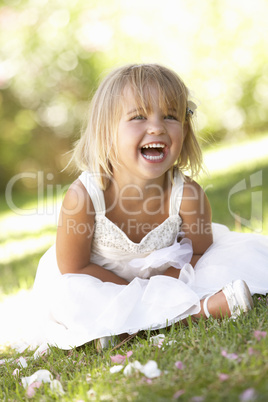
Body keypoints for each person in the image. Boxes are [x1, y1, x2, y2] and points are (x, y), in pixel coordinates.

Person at [31, 64, 267, 354]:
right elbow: (74, 268)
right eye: (138, 117)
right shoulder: (84, 196)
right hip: (101, 281)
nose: (156, 127)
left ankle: (126, 330)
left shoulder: (188, 195)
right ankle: (201, 310)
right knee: (70, 296)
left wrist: (164, 287)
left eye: (170, 116)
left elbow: (199, 251)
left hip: (170, 275)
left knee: (228, 264)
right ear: (107, 131)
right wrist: (136, 294)